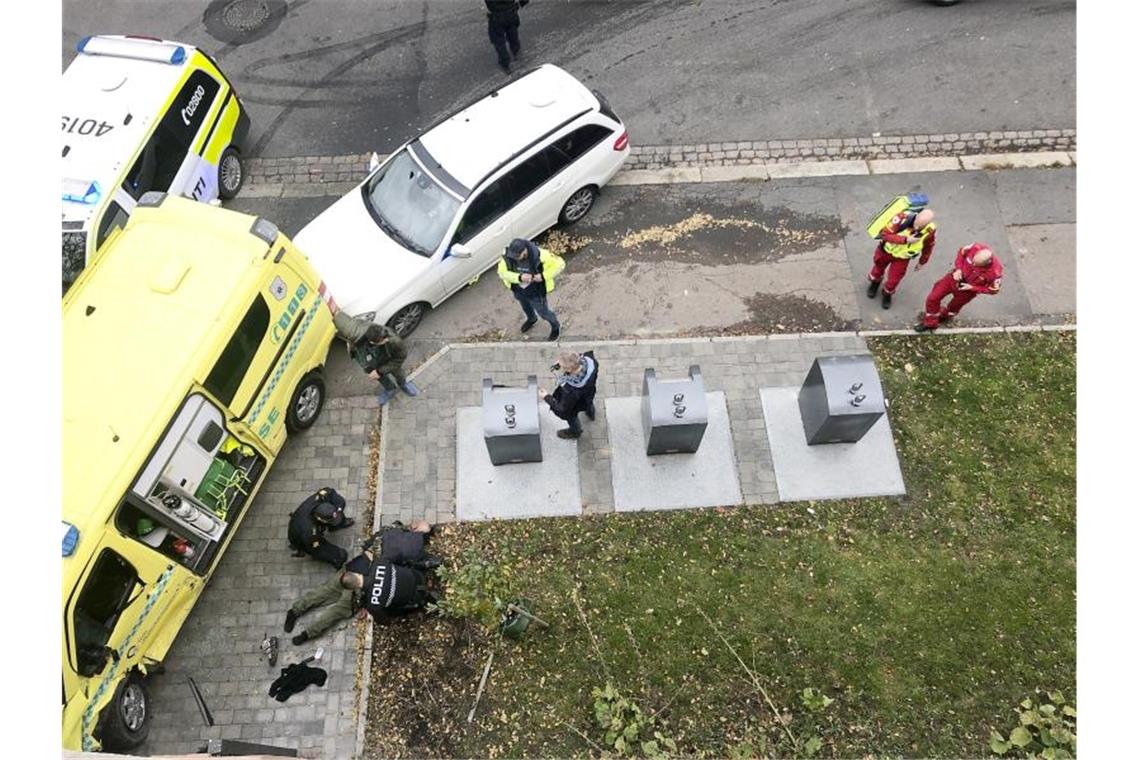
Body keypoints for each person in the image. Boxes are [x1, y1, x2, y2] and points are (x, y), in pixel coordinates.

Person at [285, 522, 439, 644]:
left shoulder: (391, 533)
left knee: (326, 595)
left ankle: (297, 613)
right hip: (358, 584)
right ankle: (305, 631)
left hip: (352, 572)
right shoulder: (405, 553)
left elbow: (371, 548)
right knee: (334, 610)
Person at [915, 243, 1003, 332]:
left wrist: (972, 288)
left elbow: (993, 290)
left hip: (967, 291)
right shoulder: (975, 247)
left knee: (953, 307)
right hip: (953, 278)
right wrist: (958, 269)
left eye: (976, 264)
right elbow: (961, 253)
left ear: (987, 263)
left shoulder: (995, 273)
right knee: (933, 298)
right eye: (972, 261)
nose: (973, 264)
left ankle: (944, 317)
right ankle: (930, 323)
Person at [866, 207, 937, 309]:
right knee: (877, 269)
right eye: (917, 223)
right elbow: (885, 235)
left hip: (902, 258)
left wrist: (922, 261)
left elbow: (928, 246)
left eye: (921, 225)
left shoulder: (929, 230)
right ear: (917, 215)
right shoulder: (901, 218)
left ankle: (887, 293)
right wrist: (905, 240)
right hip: (885, 251)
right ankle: (875, 283)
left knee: (895, 279)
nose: (917, 227)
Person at [498, 237, 565, 341]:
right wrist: (519, 278)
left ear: (524, 250)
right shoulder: (508, 257)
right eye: (513, 256)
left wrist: (543, 276)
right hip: (519, 290)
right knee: (526, 307)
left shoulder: (541, 255)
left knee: (544, 312)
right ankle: (532, 319)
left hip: (536, 292)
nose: (515, 258)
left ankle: (556, 326)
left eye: (517, 256)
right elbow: (502, 273)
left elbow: (560, 264)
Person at [351, 321, 418, 406]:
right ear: (372, 342)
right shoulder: (362, 334)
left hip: (390, 360)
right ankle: (390, 389)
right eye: (383, 340)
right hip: (372, 362)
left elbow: (399, 359)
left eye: (386, 338)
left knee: (398, 373)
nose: (387, 340)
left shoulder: (396, 342)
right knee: (381, 378)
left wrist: (379, 371)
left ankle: (403, 384)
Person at [287, 487, 354, 569]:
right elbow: (319, 549)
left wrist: (339, 511)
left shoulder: (322, 497)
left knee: (337, 515)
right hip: (302, 539)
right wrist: (337, 554)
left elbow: (334, 495)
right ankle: (336, 559)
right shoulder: (310, 532)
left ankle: (339, 523)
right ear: (319, 519)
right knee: (336, 554)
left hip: (310, 522)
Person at [539, 350, 599, 439]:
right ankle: (591, 414)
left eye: (562, 366)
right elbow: (576, 358)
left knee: (571, 416)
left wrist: (546, 397)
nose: (560, 366)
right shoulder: (591, 362)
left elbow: (562, 410)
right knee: (588, 403)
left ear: (569, 369)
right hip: (589, 393)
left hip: (575, 404)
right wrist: (564, 362)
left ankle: (575, 432)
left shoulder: (570, 390)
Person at [485, 0, 529, 74]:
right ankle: (516, 52)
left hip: (496, 16)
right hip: (511, 12)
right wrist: (521, 3)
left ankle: (505, 63)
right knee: (513, 34)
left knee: (499, 40)